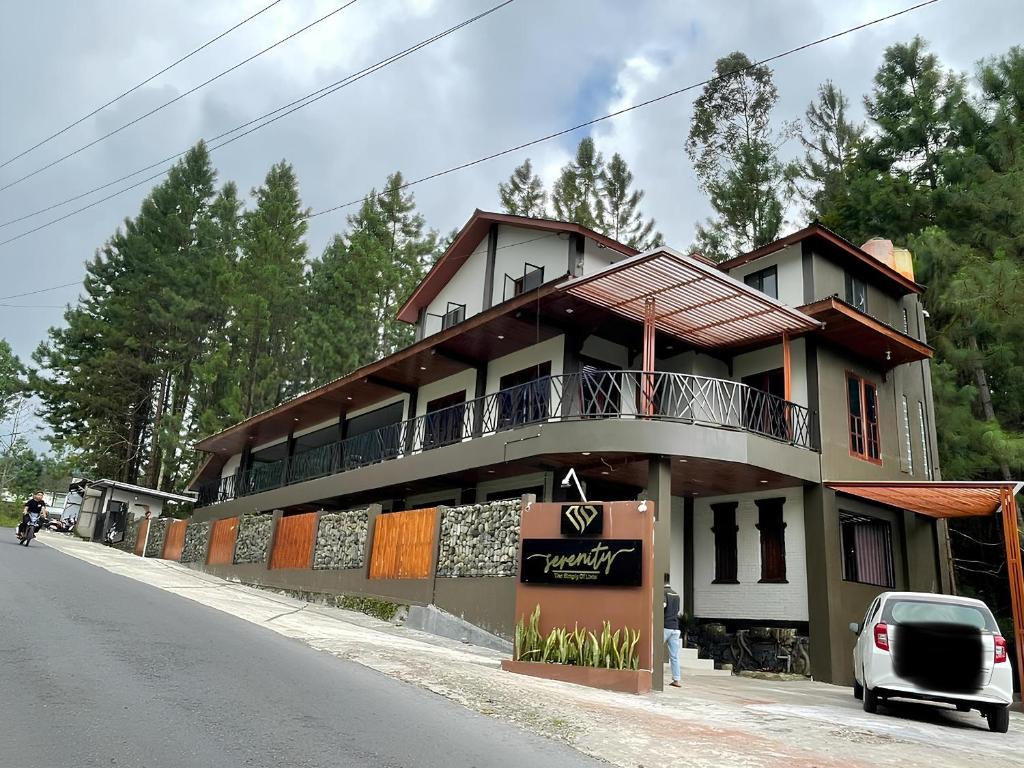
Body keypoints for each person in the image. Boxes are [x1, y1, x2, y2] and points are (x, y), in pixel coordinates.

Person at [664, 573, 682, 688]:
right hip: (675, 628)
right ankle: (676, 680)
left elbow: (662, 605)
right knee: (674, 656)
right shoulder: (676, 594)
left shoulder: (663, 592)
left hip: (665, 627)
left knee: (654, 651)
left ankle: (651, 675)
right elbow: (677, 610)